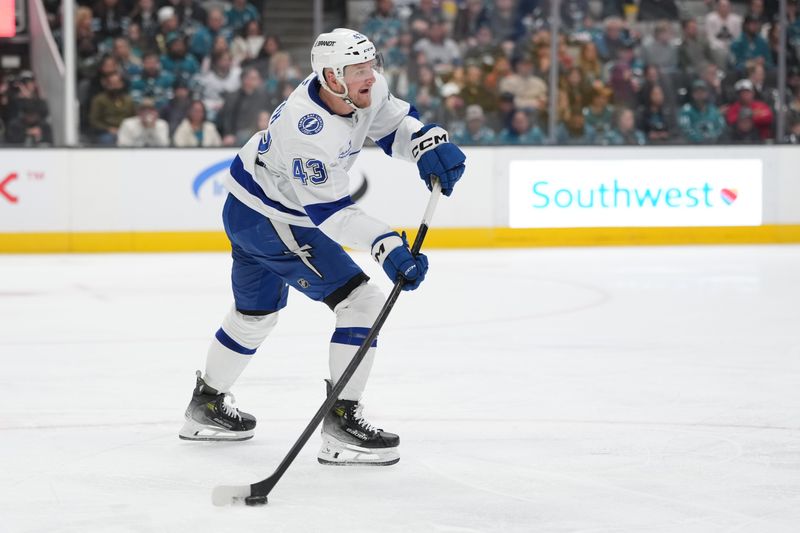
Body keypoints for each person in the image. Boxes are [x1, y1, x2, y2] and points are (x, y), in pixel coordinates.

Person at [178, 29, 466, 467]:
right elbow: (331, 215)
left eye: (371, 65)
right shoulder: (306, 130)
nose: (370, 76)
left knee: (255, 316)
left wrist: (426, 144)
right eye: (357, 70)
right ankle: (342, 423)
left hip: (250, 207)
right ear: (331, 77)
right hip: (274, 220)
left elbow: (393, 126)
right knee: (361, 301)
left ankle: (205, 406)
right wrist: (386, 245)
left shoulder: (364, 89)